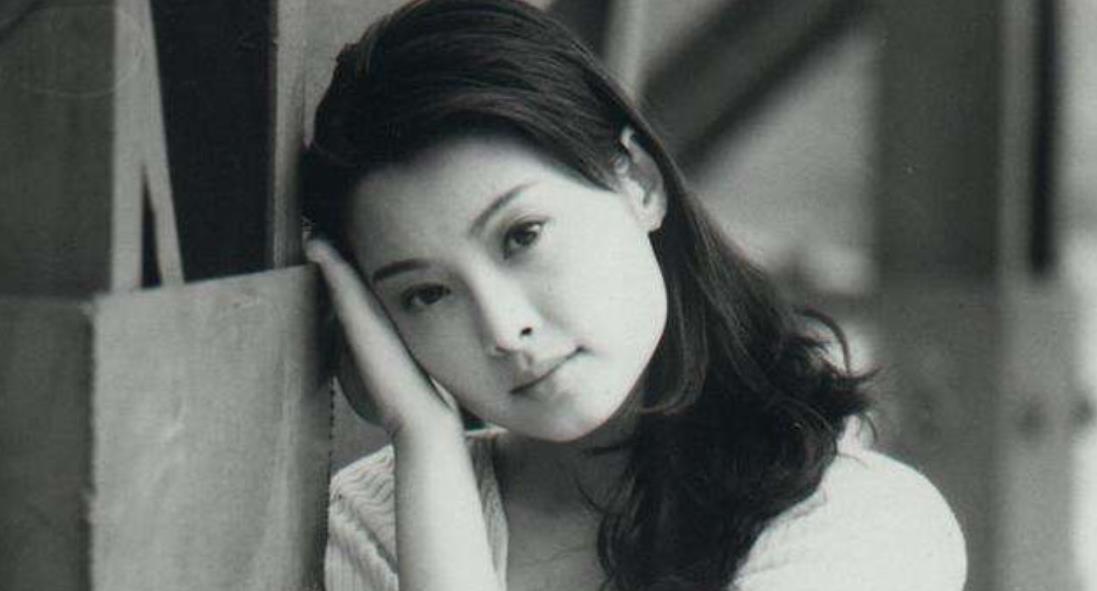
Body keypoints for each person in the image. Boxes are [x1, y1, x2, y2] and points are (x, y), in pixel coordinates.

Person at [303, 1, 966, 589]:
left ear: (639, 181)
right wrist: (423, 439)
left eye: (522, 236)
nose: (503, 328)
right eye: (426, 294)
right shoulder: (360, 528)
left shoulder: (864, 522)